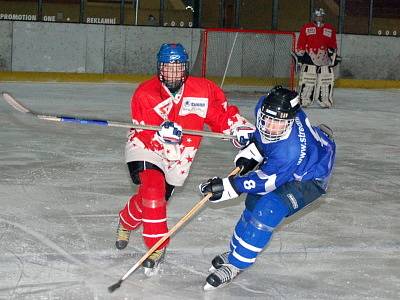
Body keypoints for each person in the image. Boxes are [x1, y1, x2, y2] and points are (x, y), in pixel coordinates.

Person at [116, 43, 255, 276]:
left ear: (186, 68)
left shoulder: (203, 90)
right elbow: (143, 127)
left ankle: (125, 221)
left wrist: (236, 127)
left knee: (151, 202)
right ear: (160, 68)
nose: (173, 73)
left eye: (178, 67)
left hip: (180, 155)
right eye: (168, 67)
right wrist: (161, 133)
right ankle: (156, 247)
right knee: (152, 188)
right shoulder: (145, 92)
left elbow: (220, 116)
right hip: (146, 144)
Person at [199, 86, 336, 290]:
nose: (270, 126)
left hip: (310, 176)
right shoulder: (265, 104)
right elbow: (263, 141)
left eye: (278, 123)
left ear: (290, 120)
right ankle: (236, 251)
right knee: (253, 202)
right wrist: (250, 145)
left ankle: (237, 264)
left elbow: (266, 181)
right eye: (267, 119)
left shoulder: (290, 150)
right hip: (285, 164)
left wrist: (231, 185)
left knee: (268, 209)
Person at [294, 8, 340, 108]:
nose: (319, 17)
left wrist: (334, 55)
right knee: (308, 80)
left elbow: (333, 44)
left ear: (323, 16)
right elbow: (301, 42)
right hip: (309, 58)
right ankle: (304, 100)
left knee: (326, 81)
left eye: (321, 15)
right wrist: (300, 56)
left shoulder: (329, 28)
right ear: (314, 16)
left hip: (325, 59)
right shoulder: (307, 27)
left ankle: (325, 100)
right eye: (317, 15)